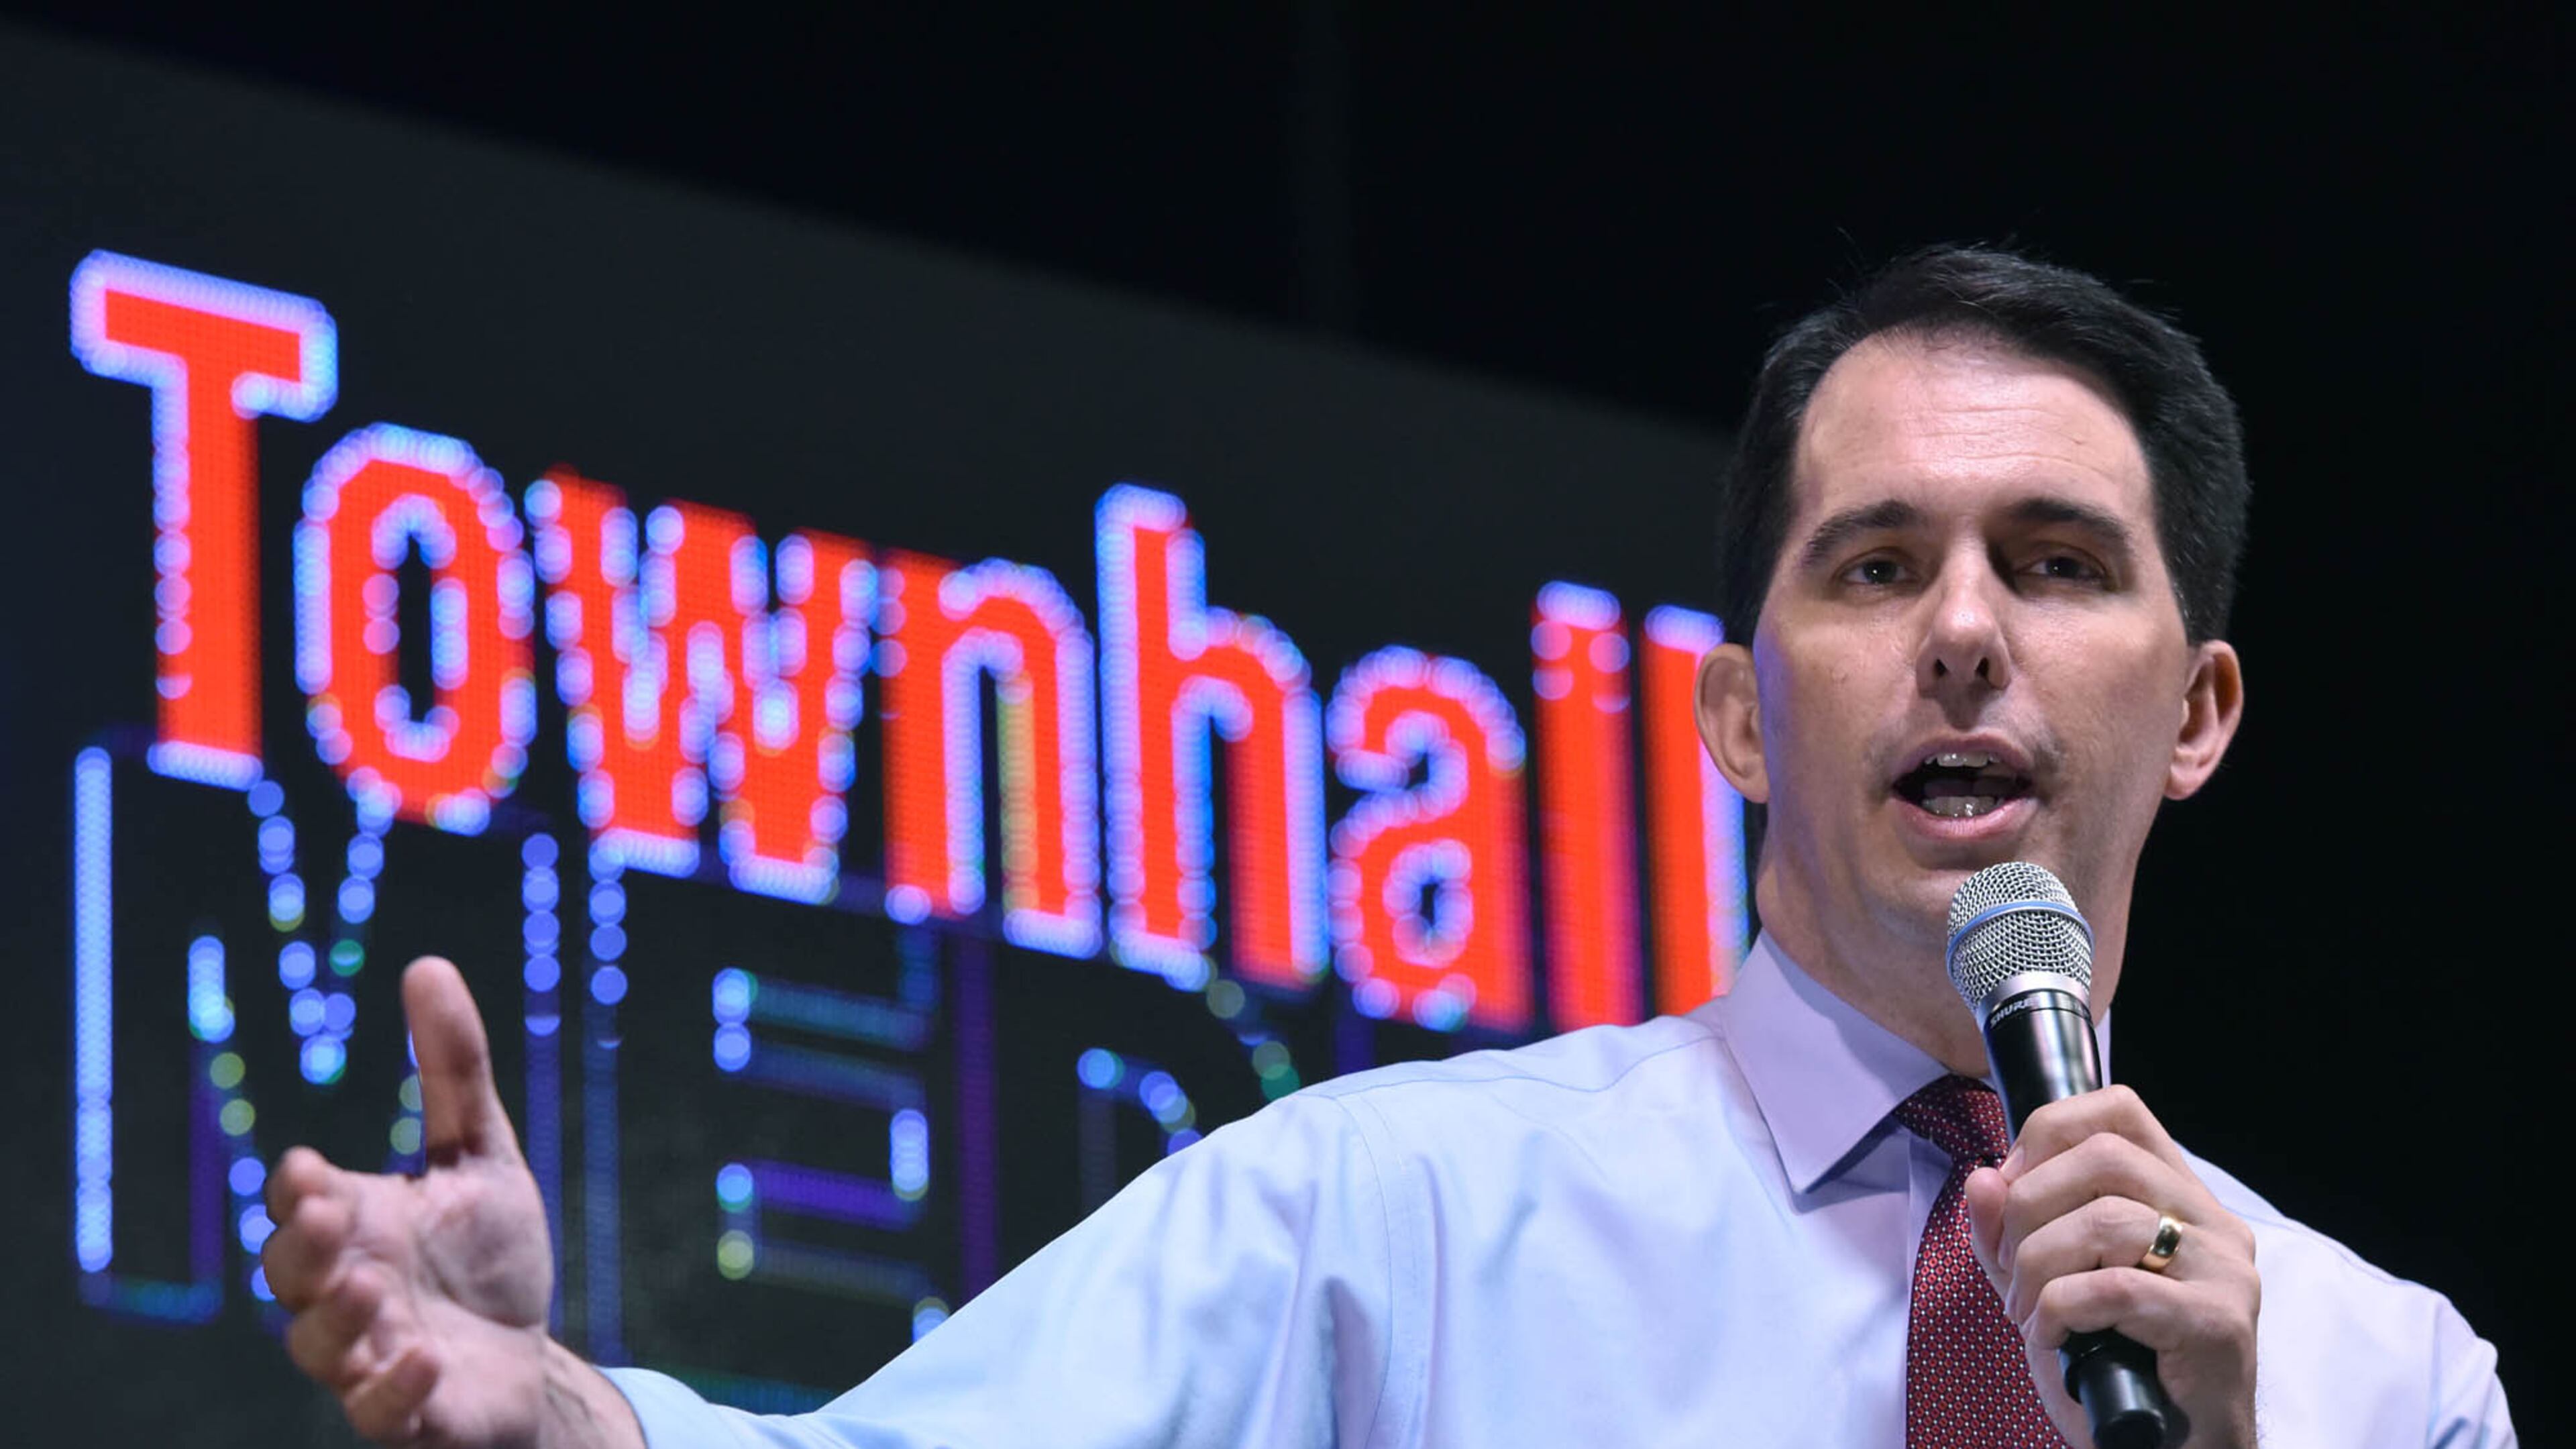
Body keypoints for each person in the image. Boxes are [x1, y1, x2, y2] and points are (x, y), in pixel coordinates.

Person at [260, 246, 2515, 1447]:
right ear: (1736, 711)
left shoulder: (2384, 1380)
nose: (1958, 638)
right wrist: (560, 1417)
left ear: (2198, 711)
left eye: (2052, 561)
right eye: (1867, 567)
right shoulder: (1389, 1217)